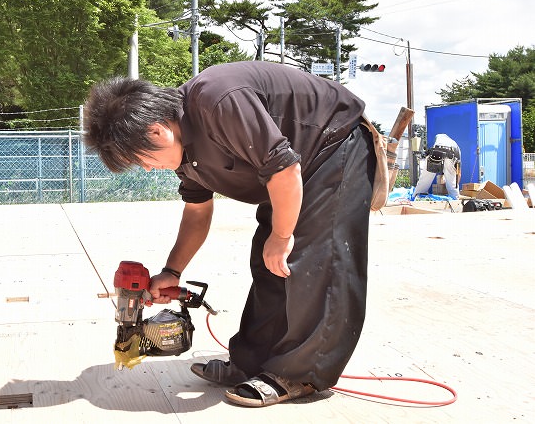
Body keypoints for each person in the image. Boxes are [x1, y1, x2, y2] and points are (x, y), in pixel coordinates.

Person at [83, 61, 377, 407]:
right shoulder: (185, 153)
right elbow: (197, 213)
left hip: (332, 144)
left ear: (156, 131)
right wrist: (172, 271)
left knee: (313, 258)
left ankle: (302, 374)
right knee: (268, 262)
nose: (146, 168)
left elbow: (285, 168)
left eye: (140, 159)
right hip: (287, 172)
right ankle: (252, 362)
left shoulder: (218, 101)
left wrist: (282, 237)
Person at [413, 133, 461, 199]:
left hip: (435, 152)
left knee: (425, 179)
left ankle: (416, 197)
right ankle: (455, 201)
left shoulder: (438, 139)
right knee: (452, 182)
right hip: (450, 155)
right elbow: (458, 173)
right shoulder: (456, 147)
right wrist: (456, 184)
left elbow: (440, 163)